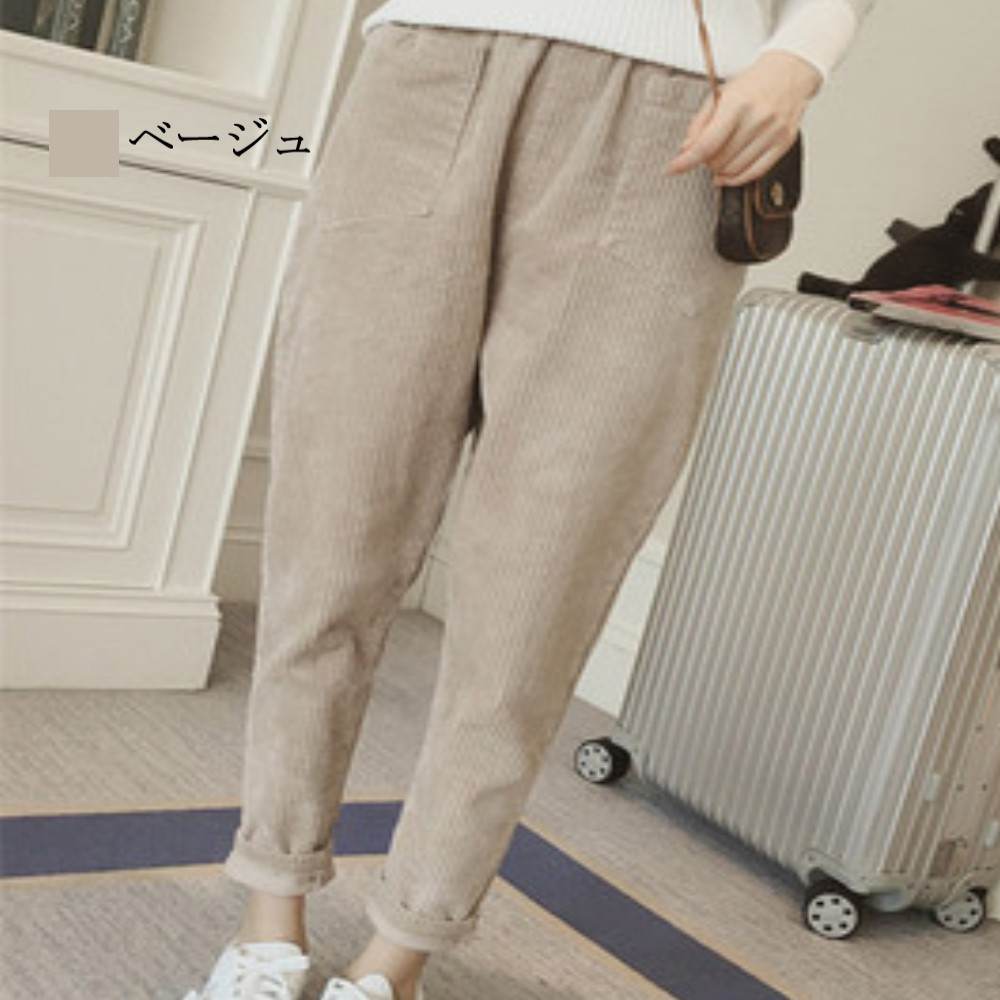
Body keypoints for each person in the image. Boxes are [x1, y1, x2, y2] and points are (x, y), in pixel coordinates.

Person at [182, 1, 876, 998]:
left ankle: (397, 955)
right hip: (430, 70)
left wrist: (800, 56)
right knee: (329, 548)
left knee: (535, 598)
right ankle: (269, 920)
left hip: (677, 117)